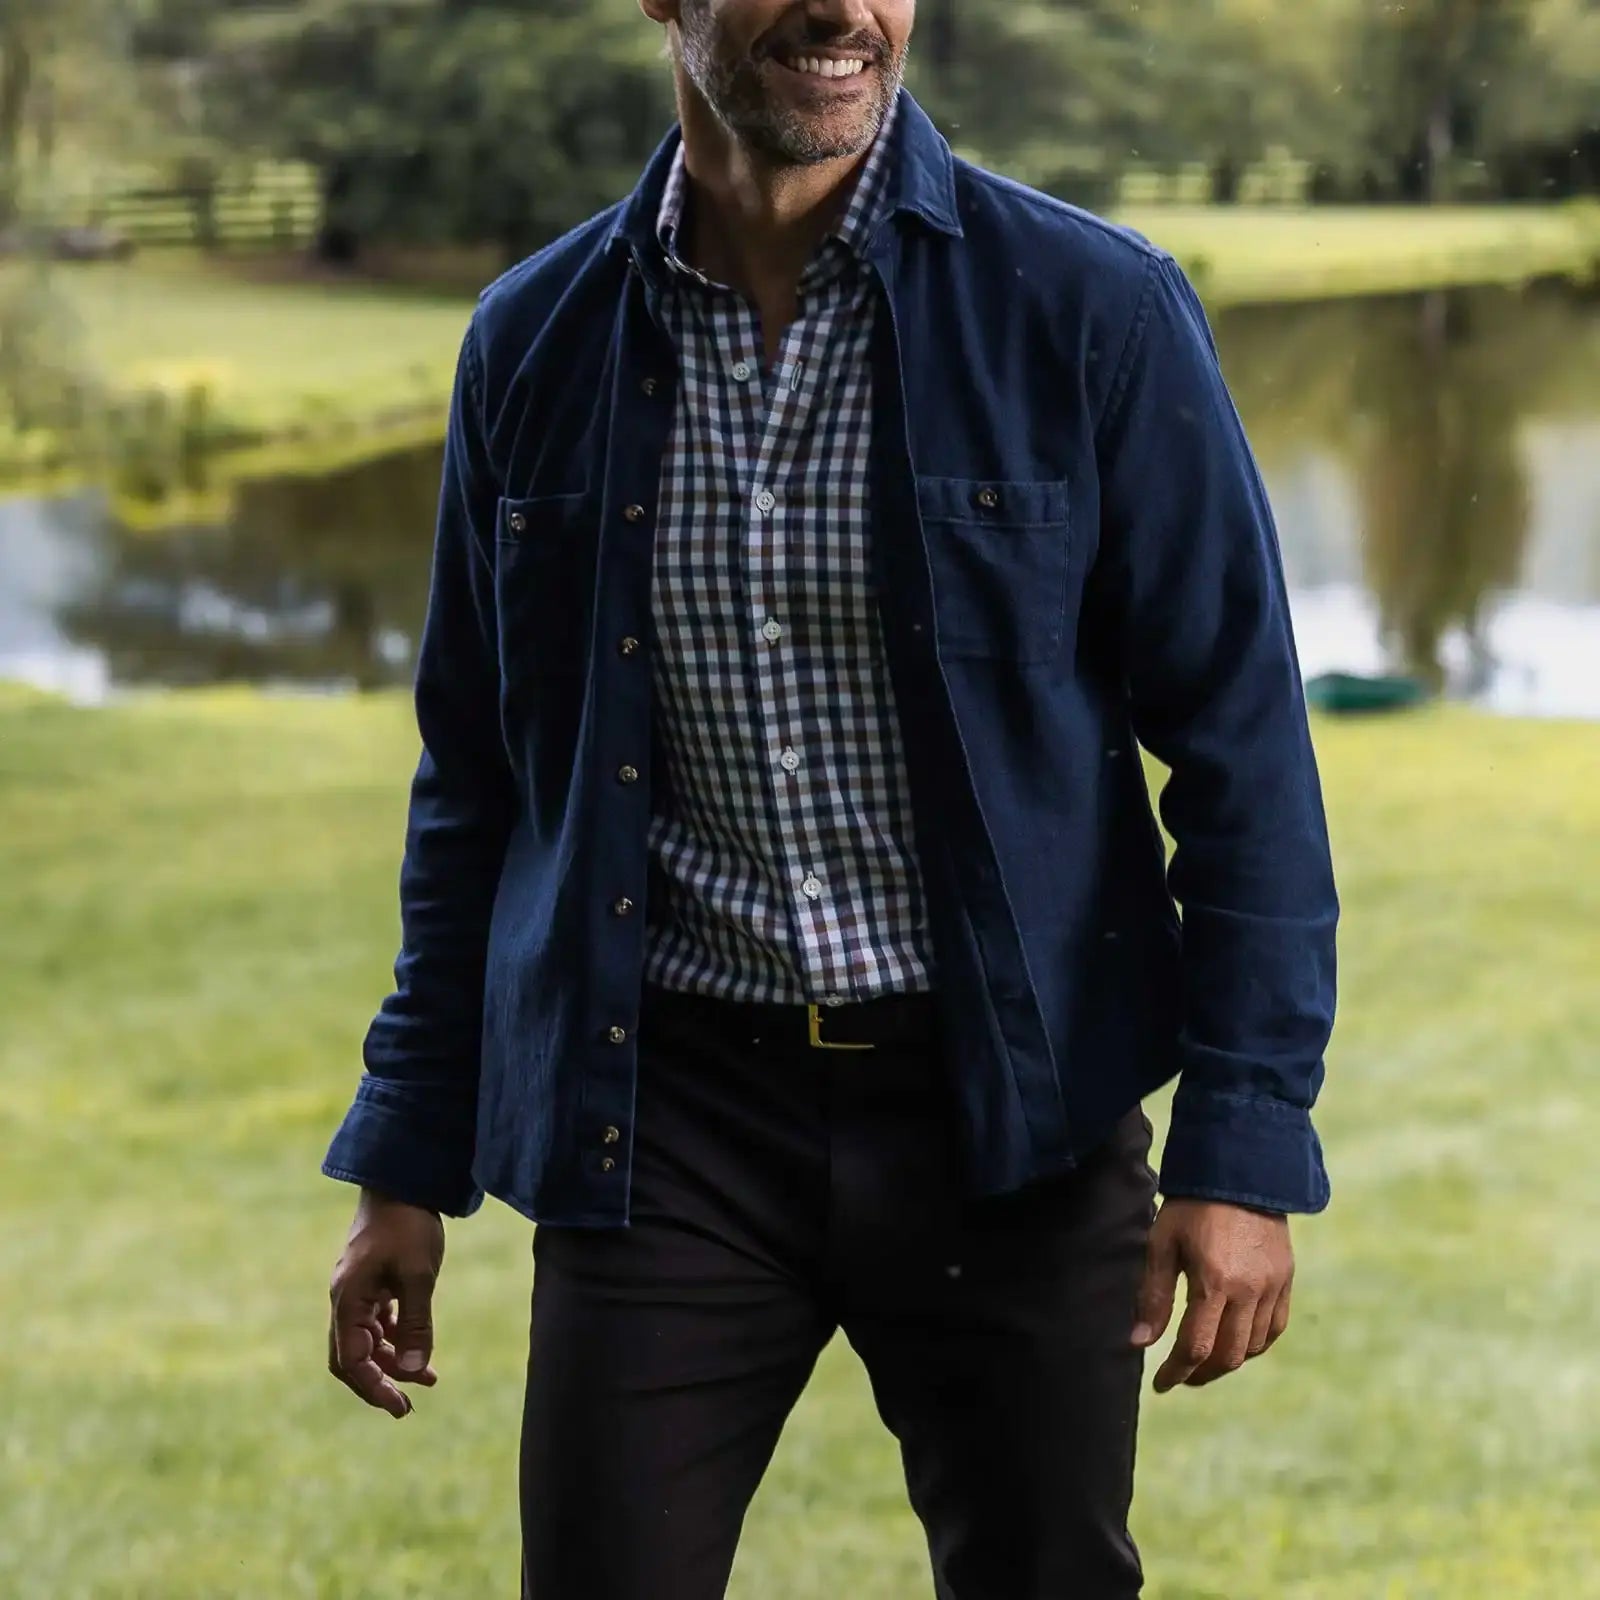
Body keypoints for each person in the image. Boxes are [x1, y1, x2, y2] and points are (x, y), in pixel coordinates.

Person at [321, 2, 1339, 1595]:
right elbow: (477, 782)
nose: (843, 7)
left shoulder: (1091, 309)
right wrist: (405, 1158)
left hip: (1013, 1113)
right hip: (662, 1119)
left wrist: (1244, 1142)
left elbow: (1244, 748)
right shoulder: (532, 341)